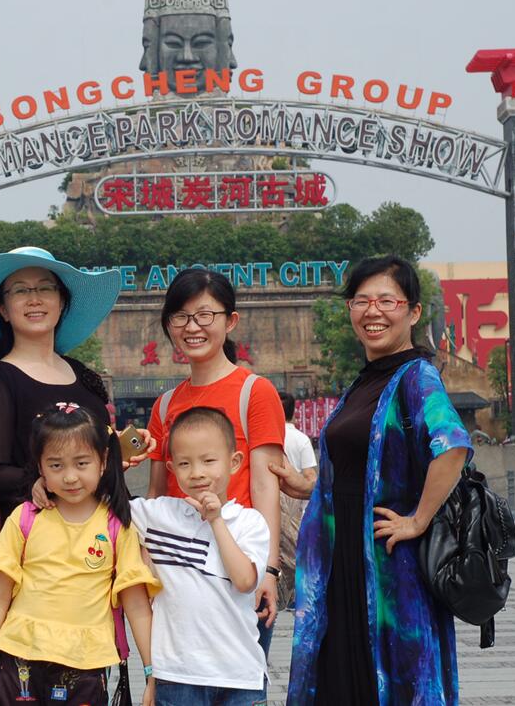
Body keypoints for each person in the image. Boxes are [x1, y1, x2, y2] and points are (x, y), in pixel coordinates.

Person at [281, 256, 471, 705]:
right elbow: (364, 467)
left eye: (387, 301)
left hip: (389, 564)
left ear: (413, 312)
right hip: (342, 556)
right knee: (342, 674)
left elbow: (452, 446)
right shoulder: (367, 381)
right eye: (362, 301)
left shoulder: (416, 376)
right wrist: (312, 488)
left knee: (391, 675)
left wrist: (417, 520)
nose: (373, 312)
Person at [0, 403, 158, 706]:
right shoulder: (25, 518)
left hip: (86, 664)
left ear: (103, 461)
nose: (70, 477)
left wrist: (152, 673)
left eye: (81, 463)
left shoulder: (116, 526)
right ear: (40, 466)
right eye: (56, 465)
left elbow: (136, 605)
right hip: (19, 658)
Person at [0, 246, 151, 530]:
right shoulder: (0, 381)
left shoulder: (82, 374)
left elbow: (91, 453)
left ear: (61, 302)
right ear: (3, 309)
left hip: (107, 528)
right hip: (46, 538)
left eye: (45, 288)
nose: (34, 299)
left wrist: (118, 448)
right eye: (20, 290)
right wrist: (45, 479)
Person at [145, 268, 285, 655]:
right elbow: (157, 494)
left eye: (205, 315)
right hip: (179, 579)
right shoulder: (165, 406)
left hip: (238, 571)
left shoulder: (255, 392)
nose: (192, 327)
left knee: (240, 681)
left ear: (230, 320)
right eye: (181, 317)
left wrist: (269, 570)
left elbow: (265, 488)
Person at [131, 406, 270, 705]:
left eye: (209, 461)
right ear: (172, 469)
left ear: (234, 462)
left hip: (239, 676)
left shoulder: (249, 522)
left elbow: (245, 581)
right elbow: (101, 498)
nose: (197, 473)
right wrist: (120, 454)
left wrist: (216, 521)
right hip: (178, 675)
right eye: (184, 463)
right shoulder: (159, 515)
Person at [276, 390, 318, 610]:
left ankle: (279, 597)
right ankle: (296, 598)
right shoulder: (301, 439)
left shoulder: (267, 436)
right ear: (293, 412)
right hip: (295, 505)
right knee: (296, 553)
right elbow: (311, 477)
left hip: (270, 499)